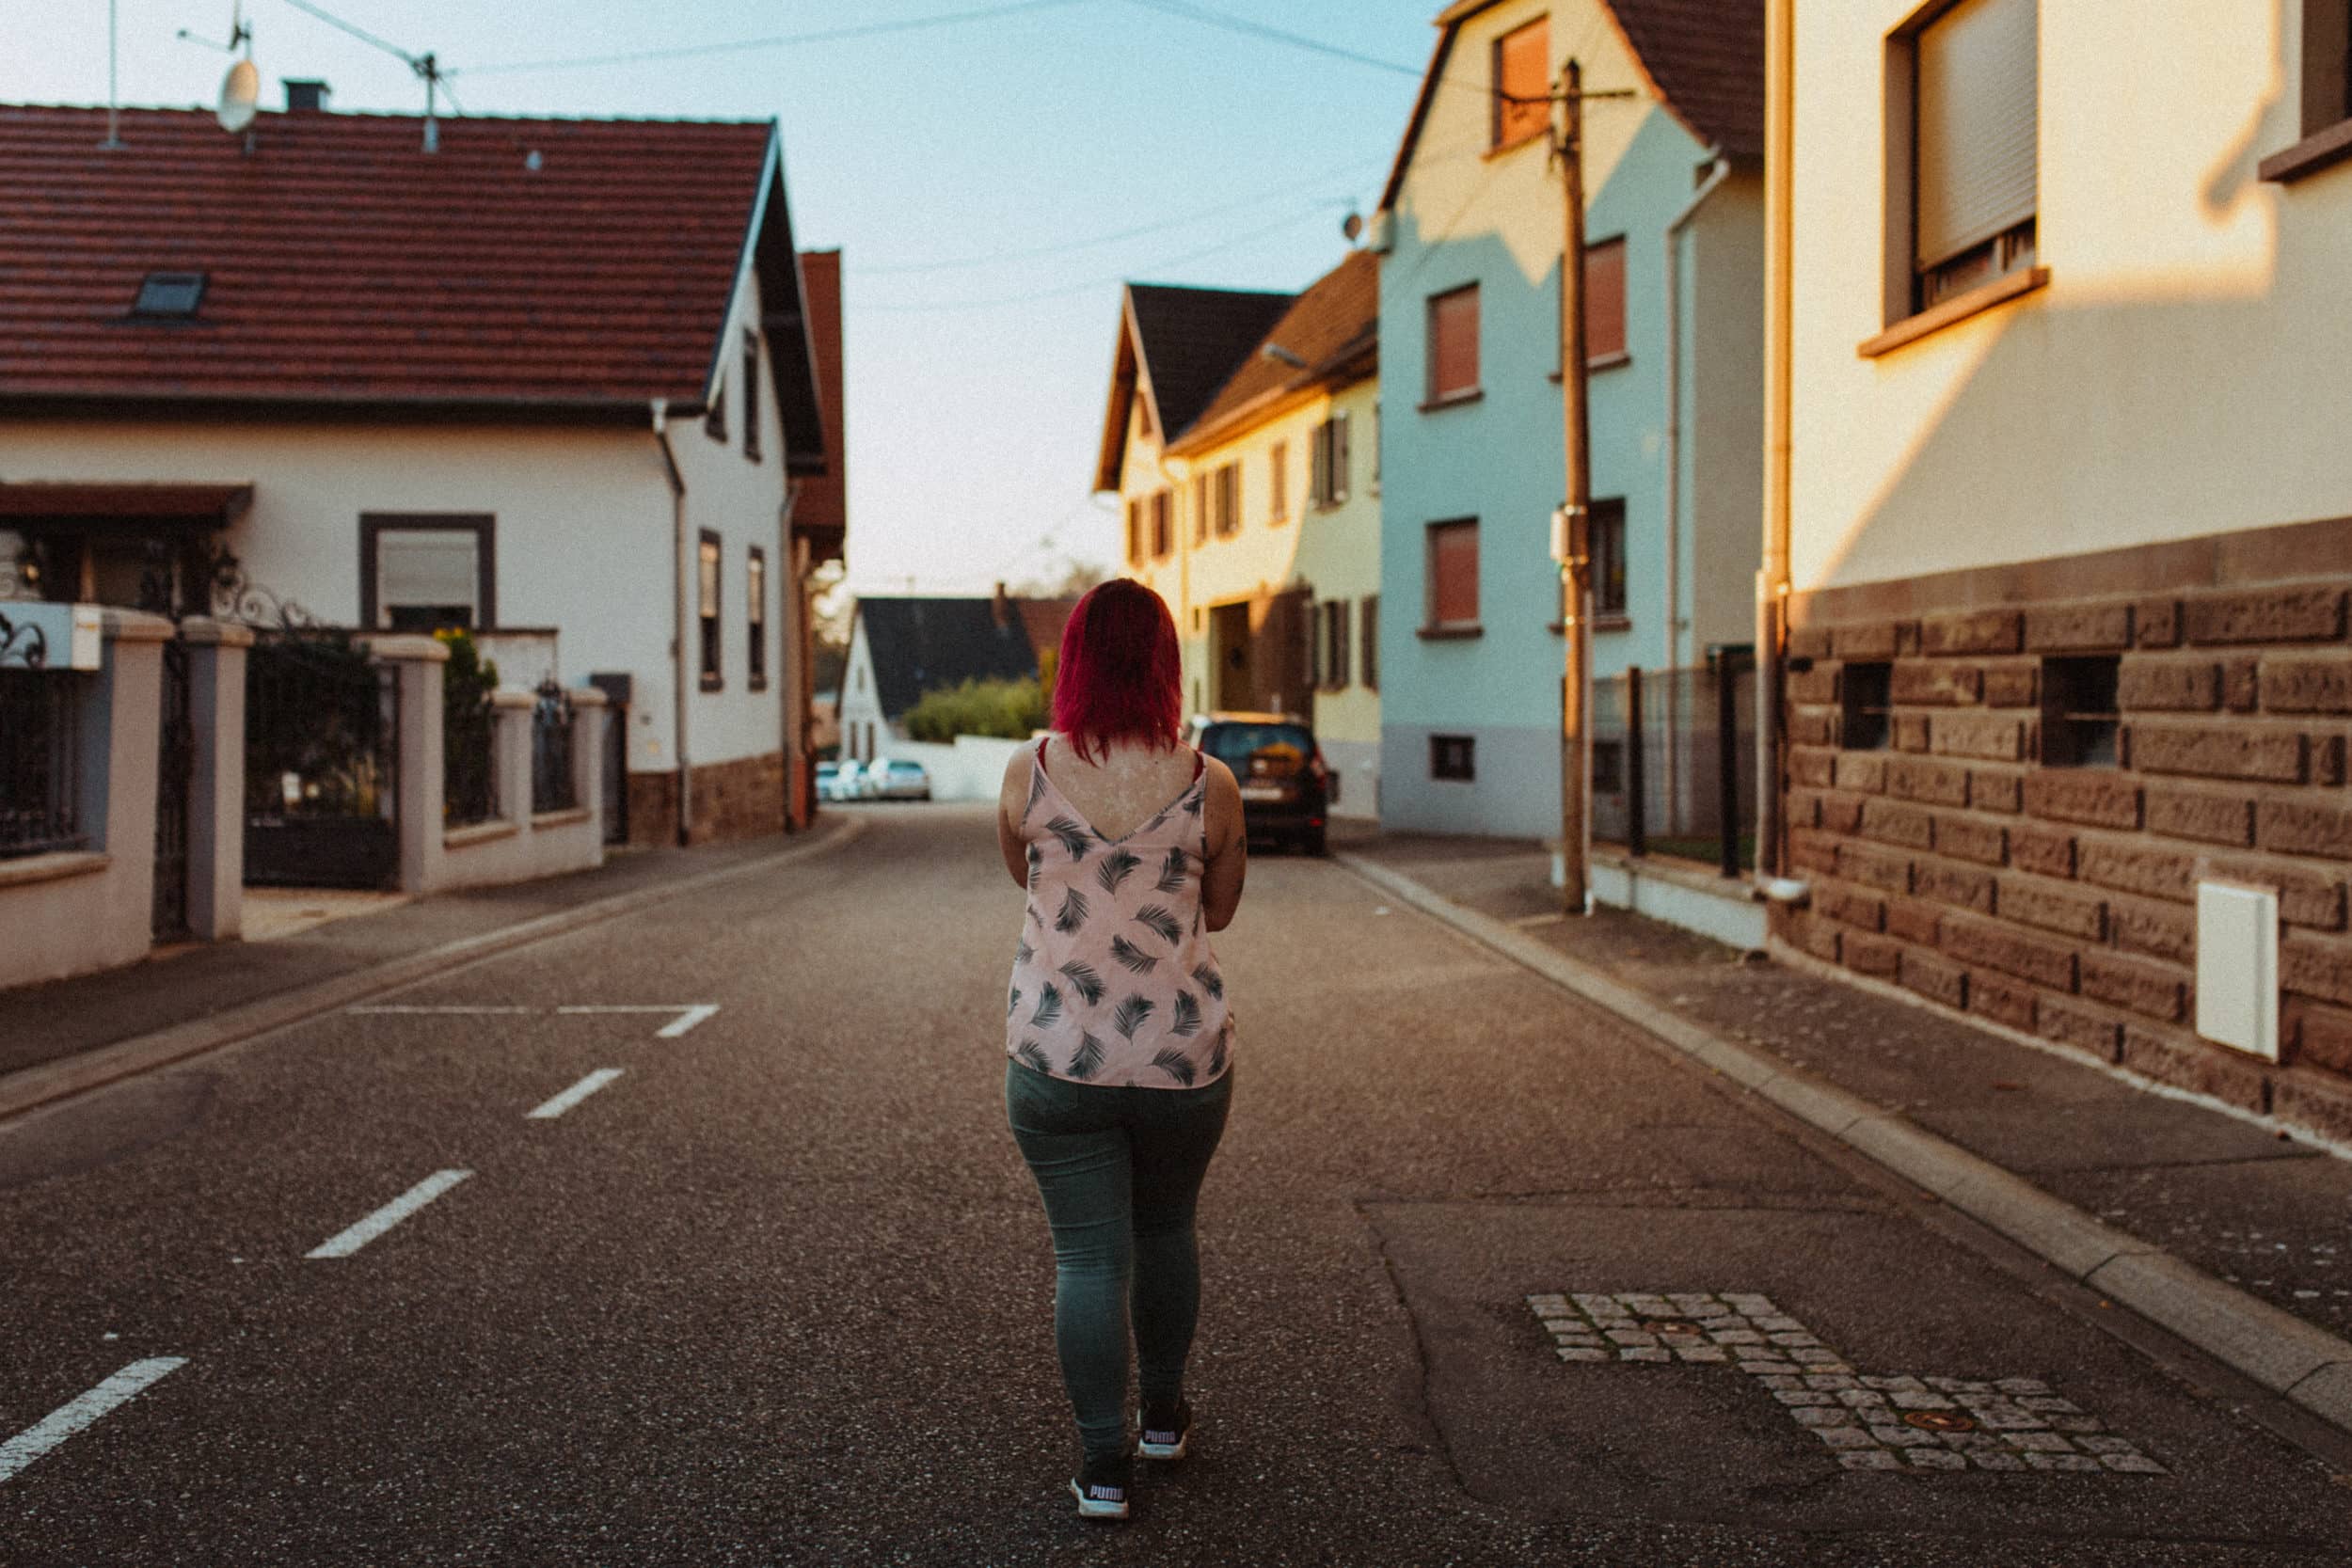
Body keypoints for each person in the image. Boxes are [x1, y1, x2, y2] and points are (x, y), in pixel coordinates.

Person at [995, 579, 1247, 1521]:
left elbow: (1022, 876)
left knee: (1089, 1259)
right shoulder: (1207, 781)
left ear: (1075, 662)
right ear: (1164, 664)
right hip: (1180, 1061)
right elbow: (1217, 909)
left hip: (1055, 1058)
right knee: (1165, 1225)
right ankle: (1164, 1416)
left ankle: (1103, 1466)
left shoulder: (1029, 770)